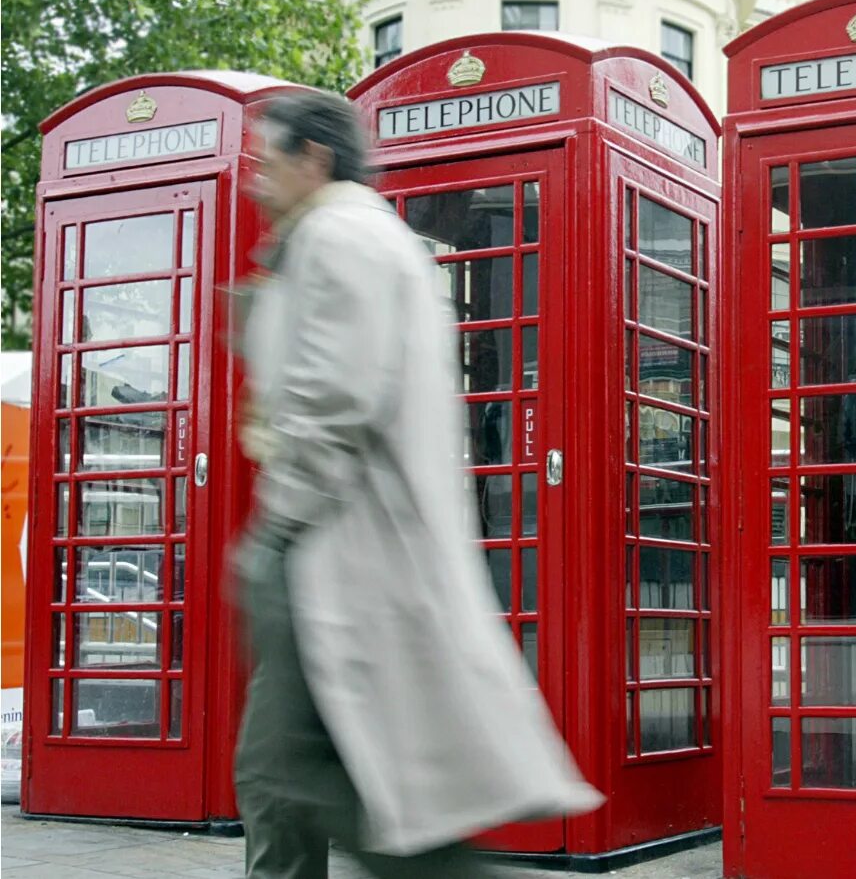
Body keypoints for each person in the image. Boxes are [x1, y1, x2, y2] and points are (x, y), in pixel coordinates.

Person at [230, 91, 601, 879]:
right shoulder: (363, 239)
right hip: (356, 554)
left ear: (314, 159)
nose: (256, 182)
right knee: (327, 785)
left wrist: (277, 528)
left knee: (287, 778)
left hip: (335, 550)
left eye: (267, 162)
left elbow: (334, 397)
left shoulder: (339, 235)